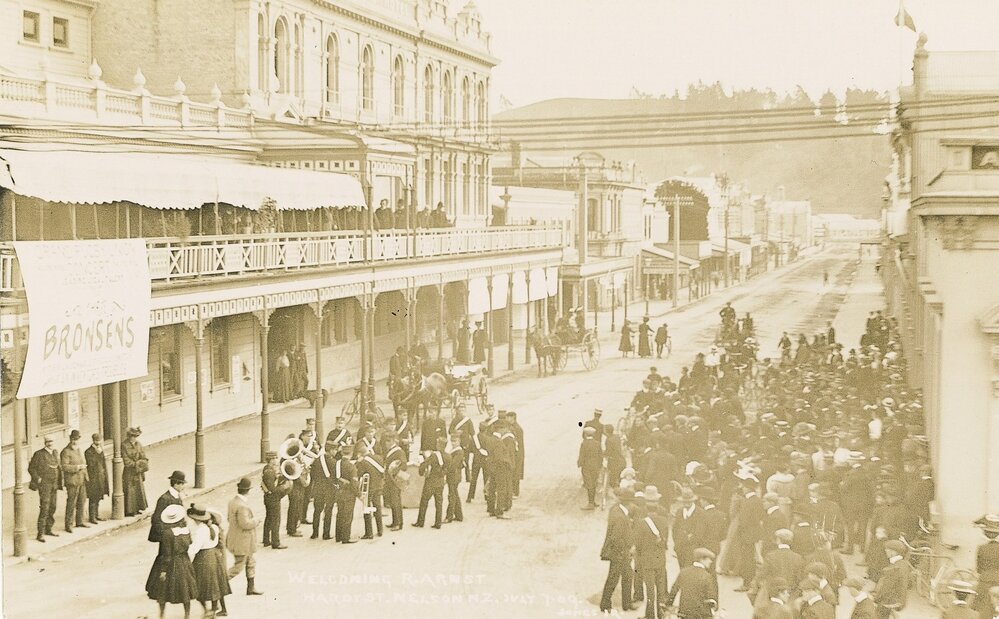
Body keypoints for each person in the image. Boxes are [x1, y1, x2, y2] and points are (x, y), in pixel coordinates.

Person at [145, 504, 199, 619]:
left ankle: (161, 615)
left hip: (170, 563)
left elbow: (166, 553)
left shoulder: (167, 534)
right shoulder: (186, 531)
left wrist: (163, 570)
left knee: (162, 591)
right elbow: (190, 544)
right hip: (184, 561)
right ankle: (187, 615)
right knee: (185, 589)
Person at [187, 504, 230, 617]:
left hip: (203, 557)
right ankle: (215, 608)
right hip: (214, 556)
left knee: (199, 584)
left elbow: (195, 548)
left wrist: (187, 553)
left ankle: (208, 610)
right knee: (215, 583)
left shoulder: (201, 530)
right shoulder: (214, 528)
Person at [600, 488, 636, 614]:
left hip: (619, 552)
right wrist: (626, 550)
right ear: (628, 502)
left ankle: (626, 603)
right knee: (614, 578)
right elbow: (616, 538)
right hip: (620, 553)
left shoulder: (616, 510)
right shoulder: (621, 517)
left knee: (626, 576)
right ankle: (606, 604)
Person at [226, 477, 263, 595]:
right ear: (248, 490)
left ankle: (250, 588)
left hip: (240, 539)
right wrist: (256, 521)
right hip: (243, 541)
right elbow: (245, 524)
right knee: (238, 566)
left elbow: (229, 519)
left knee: (250, 562)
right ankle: (220, 583)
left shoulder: (232, 502)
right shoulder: (243, 506)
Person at [665, 547, 719, 619]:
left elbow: (674, 590)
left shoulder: (684, 572)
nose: (710, 562)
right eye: (709, 559)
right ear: (702, 560)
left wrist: (668, 604)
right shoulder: (707, 576)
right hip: (700, 614)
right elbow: (712, 599)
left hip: (684, 612)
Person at [28, 436, 61, 542]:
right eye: (48, 442)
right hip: (45, 485)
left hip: (54, 485)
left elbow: (58, 467)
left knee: (53, 507)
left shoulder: (55, 452)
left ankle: (48, 529)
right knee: (44, 508)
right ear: (45, 443)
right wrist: (38, 479)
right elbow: (31, 468)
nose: (50, 443)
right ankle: (40, 534)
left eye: (51, 441)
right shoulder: (39, 454)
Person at [60, 430, 89, 533]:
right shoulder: (66, 451)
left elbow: (83, 462)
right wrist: (78, 467)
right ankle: (68, 525)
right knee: (71, 503)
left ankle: (80, 521)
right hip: (72, 481)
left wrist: (86, 476)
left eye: (77, 439)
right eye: (73, 439)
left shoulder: (78, 450)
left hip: (81, 480)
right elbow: (64, 467)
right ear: (70, 439)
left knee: (82, 501)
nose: (75, 441)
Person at [414, 437, 447, 528]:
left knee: (424, 502)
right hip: (440, 482)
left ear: (439, 445)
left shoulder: (434, 455)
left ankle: (420, 522)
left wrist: (421, 472)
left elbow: (424, 464)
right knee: (439, 503)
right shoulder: (448, 456)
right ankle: (438, 523)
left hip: (431, 482)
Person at [355, 443, 386, 539]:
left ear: (360, 453)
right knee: (377, 508)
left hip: (368, 489)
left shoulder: (362, 462)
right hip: (378, 486)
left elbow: (358, 473)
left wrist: (357, 461)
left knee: (367, 509)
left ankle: (369, 533)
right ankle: (380, 530)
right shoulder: (378, 458)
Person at [261, 451, 289, 549]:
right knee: (275, 520)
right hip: (272, 499)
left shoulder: (267, 469)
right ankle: (275, 542)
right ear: (271, 460)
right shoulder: (269, 472)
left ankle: (266, 540)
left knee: (269, 518)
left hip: (268, 498)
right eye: (275, 458)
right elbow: (272, 489)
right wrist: (283, 487)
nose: (276, 460)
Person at [150, 471, 186, 544]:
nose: (183, 486)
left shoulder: (177, 496)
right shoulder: (164, 499)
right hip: (168, 536)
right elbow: (156, 519)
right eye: (182, 484)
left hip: (177, 534)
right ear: (176, 484)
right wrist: (165, 534)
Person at [122, 427, 150, 517]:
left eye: (135, 436)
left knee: (138, 489)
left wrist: (140, 463)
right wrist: (137, 464)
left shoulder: (139, 444)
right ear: (128, 436)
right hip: (129, 472)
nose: (133, 438)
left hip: (138, 472)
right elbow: (126, 461)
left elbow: (143, 456)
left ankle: (137, 508)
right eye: (131, 436)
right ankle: (129, 510)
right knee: (130, 490)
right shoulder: (124, 445)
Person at [84, 433, 109, 524]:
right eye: (96, 440)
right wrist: (98, 453)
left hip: (101, 478)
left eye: (99, 440)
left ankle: (96, 515)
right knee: (93, 497)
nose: (98, 442)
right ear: (93, 441)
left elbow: (103, 464)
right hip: (93, 478)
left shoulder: (100, 450)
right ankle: (92, 517)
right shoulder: (89, 451)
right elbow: (91, 464)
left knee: (98, 497)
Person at [578, 426, 602, 510]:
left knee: (589, 484)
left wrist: (579, 464)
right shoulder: (597, 443)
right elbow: (600, 456)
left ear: (585, 434)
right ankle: (593, 501)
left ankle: (590, 503)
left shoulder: (584, 443)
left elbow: (582, 455)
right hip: (595, 466)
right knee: (594, 483)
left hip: (587, 466)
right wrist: (600, 465)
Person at [443, 434, 465, 523]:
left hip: (454, 476)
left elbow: (453, 465)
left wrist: (445, 470)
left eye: (455, 441)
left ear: (459, 441)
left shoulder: (459, 451)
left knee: (451, 496)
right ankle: (459, 515)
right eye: (452, 441)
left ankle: (449, 516)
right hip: (454, 475)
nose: (453, 443)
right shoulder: (454, 451)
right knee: (455, 495)